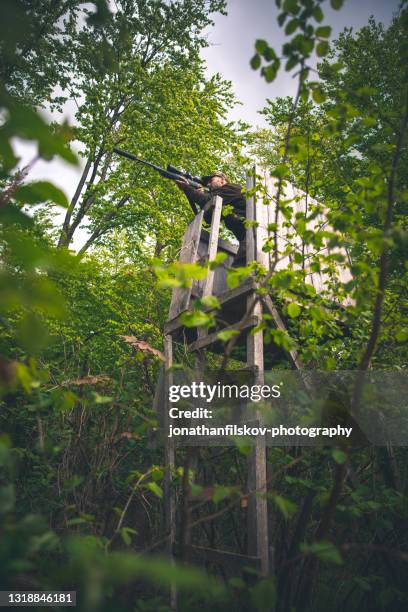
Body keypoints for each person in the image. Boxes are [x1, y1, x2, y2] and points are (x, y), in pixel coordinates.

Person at [175, 171, 247, 264]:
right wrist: (198, 192)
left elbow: (207, 200)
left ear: (222, 180)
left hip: (253, 233)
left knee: (239, 271)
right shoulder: (224, 199)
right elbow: (208, 219)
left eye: (211, 180)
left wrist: (187, 188)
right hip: (246, 236)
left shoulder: (231, 188)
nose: (208, 184)